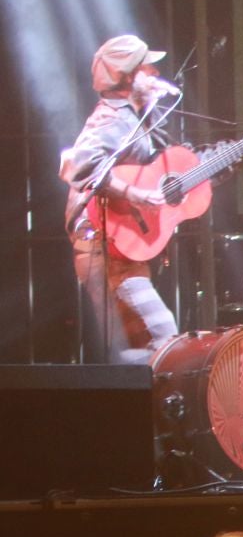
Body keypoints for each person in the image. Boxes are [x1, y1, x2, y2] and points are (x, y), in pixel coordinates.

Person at [59, 36, 206, 363]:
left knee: (138, 347)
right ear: (127, 76)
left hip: (123, 247)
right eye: (147, 67)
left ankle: (134, 404)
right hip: (101, 245)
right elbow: (77, 165)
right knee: (162, 336)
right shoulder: (112, 119)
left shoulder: (139, 117)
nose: (155, 72)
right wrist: (137, 194)